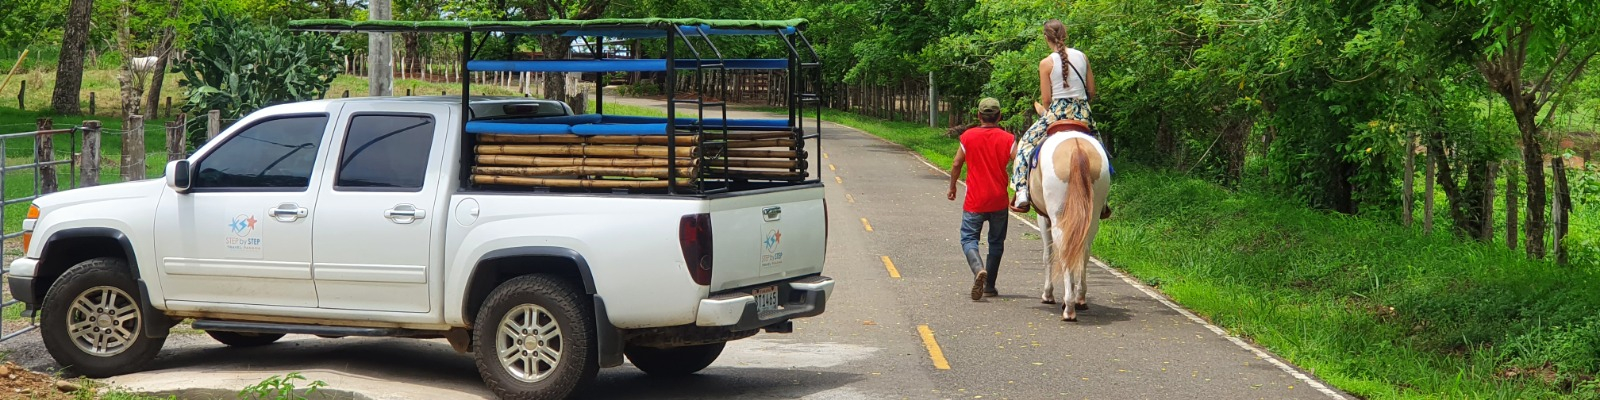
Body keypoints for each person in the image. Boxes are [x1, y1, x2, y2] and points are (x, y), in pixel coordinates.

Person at [1009, 19, 1109, 219]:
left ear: (1046, 37)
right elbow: (1092, 91)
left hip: (1057, 112)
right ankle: (1103, 198)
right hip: (1083, 113)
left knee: (1026, 144)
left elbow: (1046, 100)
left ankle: (1021, 192)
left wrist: (1050, 111)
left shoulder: (1046, 63)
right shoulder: (1082, 56)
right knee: (1100, 147)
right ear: (1065, 34)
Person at [948, 98, 1016, 300]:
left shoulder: (968, 136)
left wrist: (952, 186)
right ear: (999, 117)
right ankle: (989, 286)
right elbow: (1020, 163)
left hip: (975, 201)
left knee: (969, 238)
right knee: (996, 242)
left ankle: (978, 269)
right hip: (998, 200)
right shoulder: (1009, 139)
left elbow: (956, 163)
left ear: (978, 116)